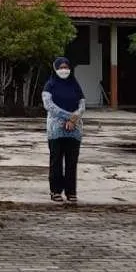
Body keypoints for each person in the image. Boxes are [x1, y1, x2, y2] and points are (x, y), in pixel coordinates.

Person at [42, 56, 85, 203]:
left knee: (72, 162)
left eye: (66, 67)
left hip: (75, 130)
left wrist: (75, 118)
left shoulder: (75, 85)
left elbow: (82, 105)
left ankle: (71, 191)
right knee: (56, 161)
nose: (64, 70)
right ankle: (55, 191)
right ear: (55, 69)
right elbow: (49, 106)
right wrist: (70, 117)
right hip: (55, 130)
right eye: (61, 67)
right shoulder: (50, 85)